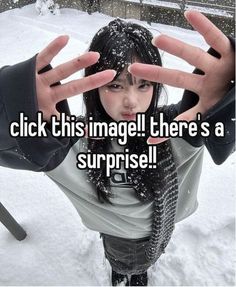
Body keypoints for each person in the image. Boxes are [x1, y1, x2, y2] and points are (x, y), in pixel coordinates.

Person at [0, 10, 234, 286]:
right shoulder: (68, 142)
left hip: (163, 229)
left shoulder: (178, 126)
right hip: (118, 239)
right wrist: (12, 106)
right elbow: (11, 144)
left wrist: (226, 97)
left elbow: (221, 126)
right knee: (124, 261)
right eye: (115, 85)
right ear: (95, 88)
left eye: (143, 85)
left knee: (150, 256)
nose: (131, 101)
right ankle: (124, 272)